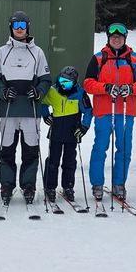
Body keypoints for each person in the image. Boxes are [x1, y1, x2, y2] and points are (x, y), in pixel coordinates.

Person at [83, 22, 136, 201]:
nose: (116, 39)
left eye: (119, 37)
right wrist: (106, 87)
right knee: (100, 147)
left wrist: (131, 88)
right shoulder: (98, 58)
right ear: (108, 38)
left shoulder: (134, 58)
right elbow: (88, 83)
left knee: (124, 148)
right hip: (104, 111)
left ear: (125, 38)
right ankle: (97, 184)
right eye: (113, 37)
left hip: (126, 111)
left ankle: (119, 184)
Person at [0, 11, 51, 203]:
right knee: (7, 149)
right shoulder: (2, 51)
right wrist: (2, 92)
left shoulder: (38, 52)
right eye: (16, 25)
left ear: (28, 27)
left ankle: (28, 186)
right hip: (9, 109)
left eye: (23, 25)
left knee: (30, 150)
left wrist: (39, 92)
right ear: (11, 27)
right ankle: (7, 185)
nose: (19, 29)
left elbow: (45, 79)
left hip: (29, 109)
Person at [40, 66, 92, 204]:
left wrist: (84, 127)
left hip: (72, 132)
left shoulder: (80, 93)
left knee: (69, 161)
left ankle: (68, 186)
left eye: (67, 82)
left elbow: (88, 111)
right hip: (56, 131)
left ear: (74, 83)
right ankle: (50, 187)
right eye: (62, 80)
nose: (63, 84)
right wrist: (45, 116)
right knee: (53, 161)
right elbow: (43, 103)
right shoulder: (53, 90)